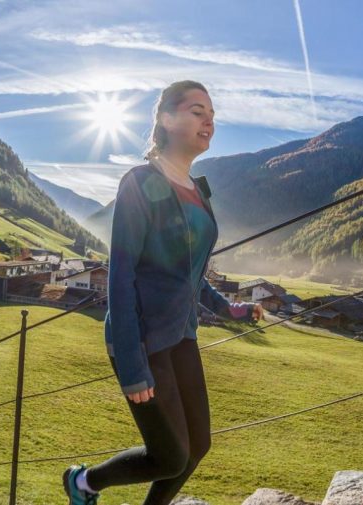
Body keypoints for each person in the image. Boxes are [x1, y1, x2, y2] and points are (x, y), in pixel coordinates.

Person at [63, 80, 263, 505]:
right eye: (196, 110)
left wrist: (230, 308)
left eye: (211, 112)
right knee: (170, 455)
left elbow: (187, 275)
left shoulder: (198, 192)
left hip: (181, 336)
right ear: (167, 119)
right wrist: (133, 364)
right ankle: (83, 482)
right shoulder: (139, 181)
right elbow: (121, 275)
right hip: (140, 338)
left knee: (197, 447)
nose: (209, 119)